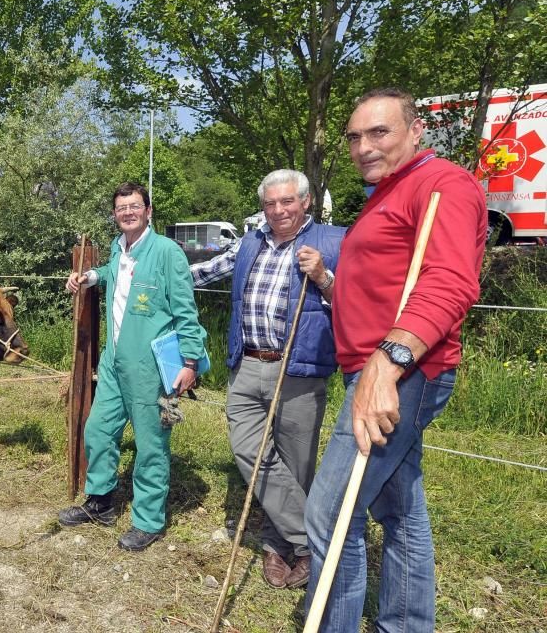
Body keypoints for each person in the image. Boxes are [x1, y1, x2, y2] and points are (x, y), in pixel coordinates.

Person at [304, 88, 486, 630]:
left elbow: (450, 282)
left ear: (415, 130)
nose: (364, 145)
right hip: (375, 365)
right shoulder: (386, 193)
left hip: (401, 370)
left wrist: (386, 363)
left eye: (379, 132)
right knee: (399, 508)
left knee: (331, 511)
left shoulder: (441, 185)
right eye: (355, 136)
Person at [190, 169, 344, 589]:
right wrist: (148, 278)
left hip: (298, 368)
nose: (278, 211)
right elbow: (204, 273)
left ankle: (278, 545)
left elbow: (359, 301)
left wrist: (324, 277)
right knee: (250, 454)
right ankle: (310, 542)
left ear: (306, 201)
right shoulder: (250, 242)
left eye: (287, 202)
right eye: (270, 204)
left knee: (296, 464)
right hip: (247, 365)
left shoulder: (334, 242)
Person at [58, 181, 207, 551]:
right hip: (114, 361)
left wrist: (189, 362)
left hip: (152, 369)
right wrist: (91, 276)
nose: (128, 212)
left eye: (134, 206)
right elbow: (113, 271)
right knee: (98, 430)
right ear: (115, 215)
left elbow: (187, 312)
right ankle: (101, 502)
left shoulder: (168, 253)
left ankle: (149, 520)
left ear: (148, 211)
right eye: (122, 208)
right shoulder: (119, 248)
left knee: (151, 444)